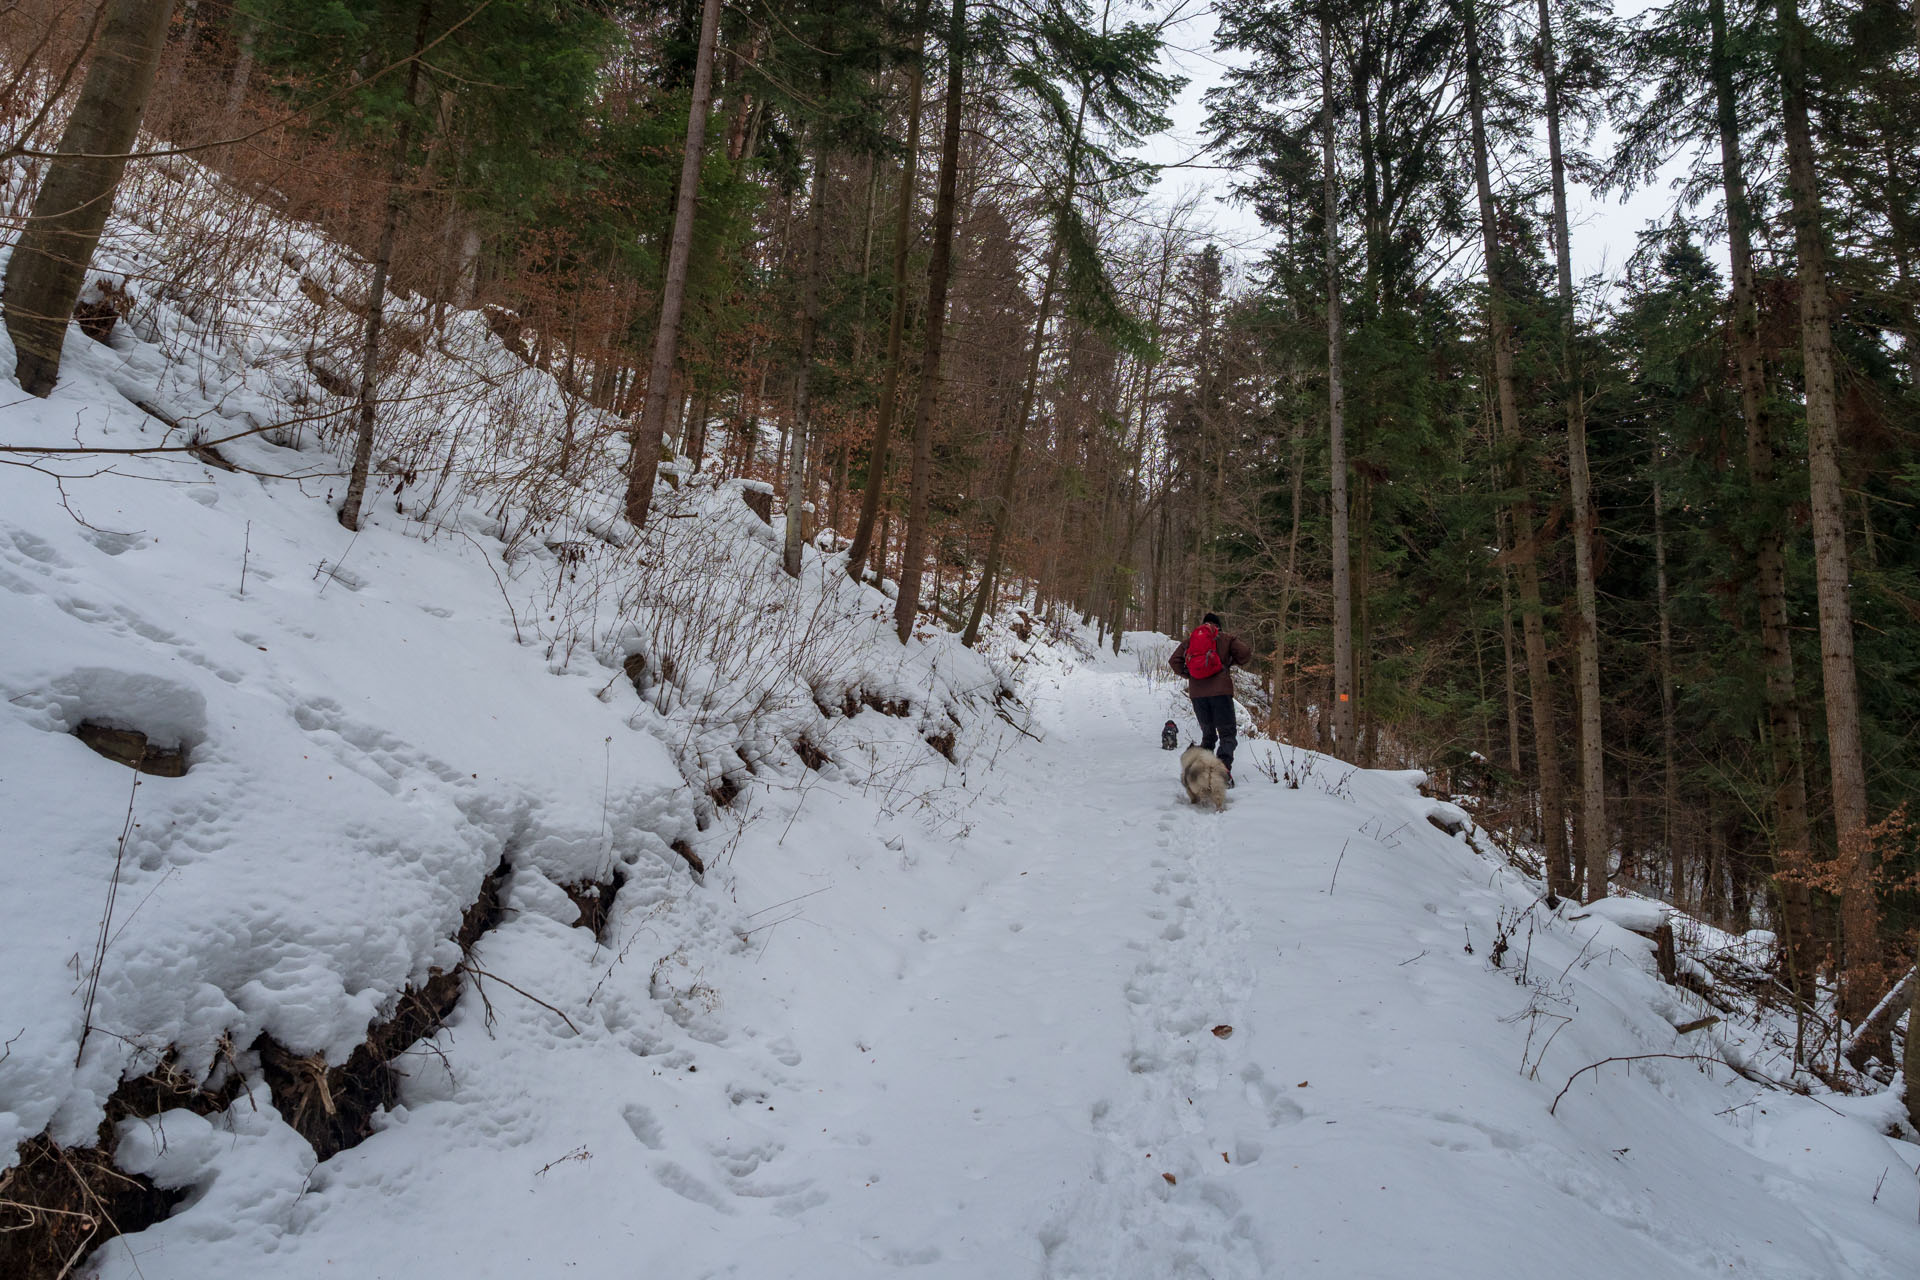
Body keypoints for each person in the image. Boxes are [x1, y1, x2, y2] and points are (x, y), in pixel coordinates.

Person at [1169, 612, 1251, 784]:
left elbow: (1174, 661)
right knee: (1227, 734)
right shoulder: (1226, 638)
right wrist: (1227, 663)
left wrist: (1191, 675)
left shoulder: (1191, 640)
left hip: (1198, 694)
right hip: (1221, 693)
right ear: (1219, 626)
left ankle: (1200, 772)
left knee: (1208, 735)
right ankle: (1221, 772)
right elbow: (1245, 654)